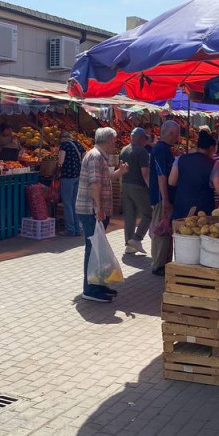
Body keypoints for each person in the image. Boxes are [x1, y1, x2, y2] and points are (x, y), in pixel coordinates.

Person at [76, 127, 129, 303]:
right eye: (114, 140)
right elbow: (95, 184)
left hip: (96, 210)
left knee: (97, 248)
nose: (115, 143)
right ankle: (89, 288)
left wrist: (119, 172)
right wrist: (99, 208)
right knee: (93, 248)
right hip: (91, 210)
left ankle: (97, 284)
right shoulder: (95, 157)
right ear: (107, 141)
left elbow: (105, 179)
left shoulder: (100, 157)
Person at [169, 130, 219, 218]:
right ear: (212, 147)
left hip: (181, 207)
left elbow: (171, 182)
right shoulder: (213, 164)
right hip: (202, 210)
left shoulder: (180, 159)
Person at [149, 120, 180, 276]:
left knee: (166, 230)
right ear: (170, 133)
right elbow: (161, 175)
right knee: (161, 229)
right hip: (161, 197)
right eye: (177, 133)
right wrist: (165, 199)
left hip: (164, 196)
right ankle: (158, 265)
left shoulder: (165, 149)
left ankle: (164, 263)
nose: (178, 137)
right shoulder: (161, 149)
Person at [118, 127, 151, 255]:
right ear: (141, 138)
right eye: (145, 139)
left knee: (130, 215)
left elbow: (121, 169)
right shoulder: (142, 152)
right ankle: (137, 239)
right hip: (138, 186)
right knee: (148, 213)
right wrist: (151, 188)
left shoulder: (124, 150)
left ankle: (129, 245)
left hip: (126, 184)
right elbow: (145, 173)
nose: (146, 141)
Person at [56, 131, 85, 237]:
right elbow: (84, 157)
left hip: (67, 176)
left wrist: (58, 166)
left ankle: (70, 229)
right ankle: (78, 228)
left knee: (67, 203)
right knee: (74, 202)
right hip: (78, 175)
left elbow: (61, 161)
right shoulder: (78, 144)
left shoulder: (64, 146)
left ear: (62, 138)